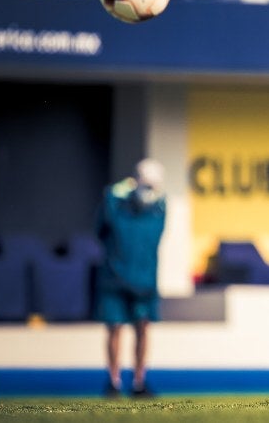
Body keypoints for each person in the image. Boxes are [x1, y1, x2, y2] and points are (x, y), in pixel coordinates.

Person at [95, 158, 166, 397]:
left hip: (144, 281)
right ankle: (114, 381)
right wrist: (111, 198)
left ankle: (139, 381)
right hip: (115, 278)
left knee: (143, 329)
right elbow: (100, 230)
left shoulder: (159, 209)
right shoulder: (114, 205)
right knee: (114, 328)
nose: (148, 192)